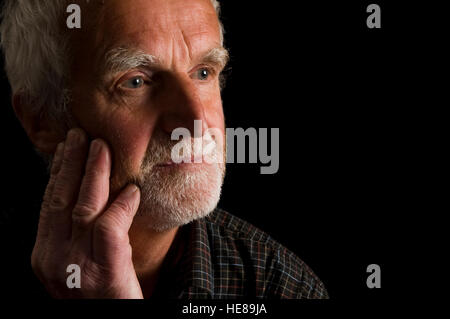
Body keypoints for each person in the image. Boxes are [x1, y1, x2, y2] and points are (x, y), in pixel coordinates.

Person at [0, 0, 328, 299]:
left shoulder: (279, 286)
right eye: (136, 82)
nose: (196, 122)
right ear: (41, 119)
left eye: (203, 73)